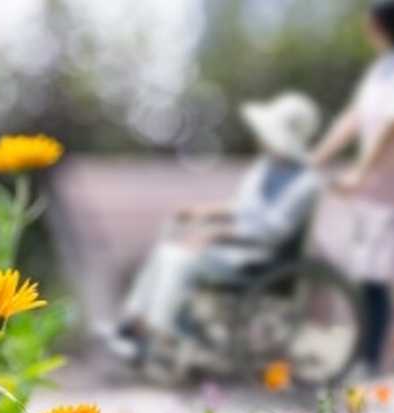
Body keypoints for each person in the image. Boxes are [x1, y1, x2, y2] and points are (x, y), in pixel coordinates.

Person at [113, 92, 322, 359]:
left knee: (178, 259)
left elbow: (272, 230)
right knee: (167, 249)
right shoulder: (265, 168)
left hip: (256, 258)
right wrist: (201, 213)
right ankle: (135, 321)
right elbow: (242, 207)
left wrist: (215, 236)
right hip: (232, 247)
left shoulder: (305, 183)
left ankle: (154, 334)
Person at [311, 0, 394, 374]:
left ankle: (377, 358)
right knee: (382, 267)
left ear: (379, 24)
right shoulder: (383, 70)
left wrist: (361, 172)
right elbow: (354, 119)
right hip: (379, 184)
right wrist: (318, 157)